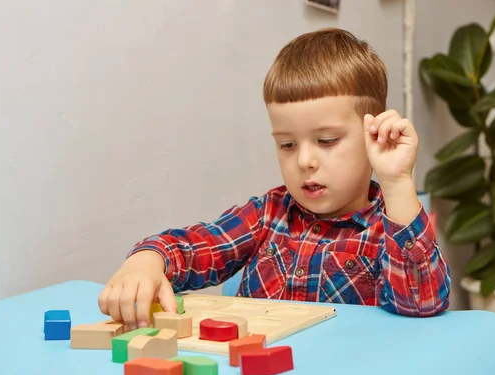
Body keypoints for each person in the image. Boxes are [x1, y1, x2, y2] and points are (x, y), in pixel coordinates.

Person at [98, 28, 451, 330]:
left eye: (327, 141)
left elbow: (423, 302)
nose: (304, 160)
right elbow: (196, 248)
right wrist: (147, 260)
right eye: (287, 144)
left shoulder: (384, 229)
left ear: (373, 135)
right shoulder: (268, 214)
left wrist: (397, 180)